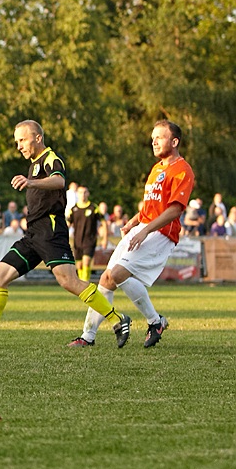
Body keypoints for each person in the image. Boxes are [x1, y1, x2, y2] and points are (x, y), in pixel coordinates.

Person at [0, 120, 130, 349]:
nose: (19, 146)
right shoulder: (34, 164)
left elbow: (59, 180)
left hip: (51, 230)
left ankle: (118, 319)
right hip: (33, 234)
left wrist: (30, 182)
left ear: (38, 138)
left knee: (69, 281)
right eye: (16, 141)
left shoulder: (51, 158)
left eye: (22, 140)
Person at [68, 120, 195, 348]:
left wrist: (144, 230)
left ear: (175, 141)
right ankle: (88, 336)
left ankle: (154, 321)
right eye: (153, 138)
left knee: (118, 273)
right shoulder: (156, 169)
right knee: (107, 278)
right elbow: (150, 206)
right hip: (143, 228)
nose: (154, 142)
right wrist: (133, 223)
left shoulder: (182, 170)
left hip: (161, 232)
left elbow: (175, 209)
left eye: (160, 137)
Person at [68, 185, 105, 282]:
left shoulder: (93, 207)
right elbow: (68, 223)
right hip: (77, 241)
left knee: (86, 262)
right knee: (79, 265)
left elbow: (103, 222)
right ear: (77, 194)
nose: (83, 194)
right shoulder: (73, 209)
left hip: (90, 240)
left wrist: (105, 238)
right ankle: (81, 283)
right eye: (80, 192)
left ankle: (85, 283)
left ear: (88, 194)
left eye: (85, 192)